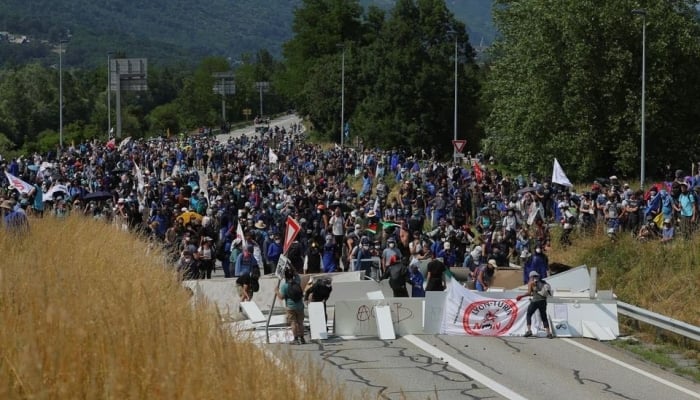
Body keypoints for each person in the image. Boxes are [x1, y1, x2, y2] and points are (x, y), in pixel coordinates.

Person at [517, 271, 553, 339]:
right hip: (543, 301)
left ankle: (529, 330)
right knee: (544, 317)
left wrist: (521, 296)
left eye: (530, 277)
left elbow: (529, 293)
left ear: (532, 276)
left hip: (535, 301)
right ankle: (548, 333)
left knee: (529, 314)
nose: (530, 278)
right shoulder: (543, 282)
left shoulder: (531, 283)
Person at [275, 267, 306, 345]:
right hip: (300, 306)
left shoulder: (284, 286)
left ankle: (295, 339)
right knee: (300, 323)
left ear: (285, 277)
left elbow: (281, 297)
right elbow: (296, 273)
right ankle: (302, 338)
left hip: (290, 307)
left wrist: (276, 291)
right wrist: (291, 266)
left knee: (293, 322)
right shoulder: (297, 281)